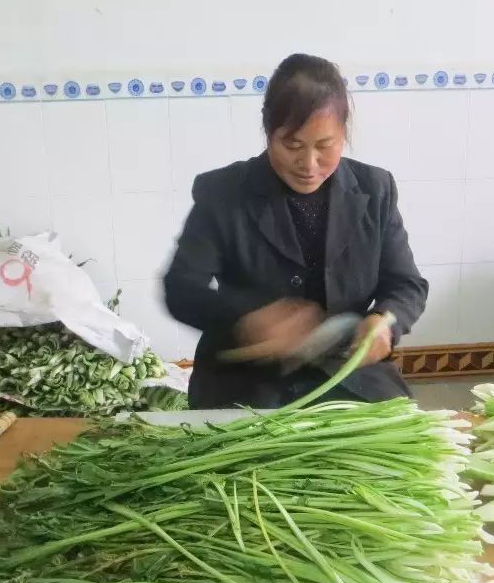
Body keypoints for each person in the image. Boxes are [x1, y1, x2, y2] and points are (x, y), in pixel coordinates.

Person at [163, 53, 428, 409]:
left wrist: (384, 322)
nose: (309, 164)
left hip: (349, 376)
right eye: (292, 145)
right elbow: (181, 288)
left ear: (344, 133)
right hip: (247, 383)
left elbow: (406, 284)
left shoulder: (375, 189)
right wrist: (246, 318)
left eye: (325, 145)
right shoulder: (224, 193)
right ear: (269, 132)